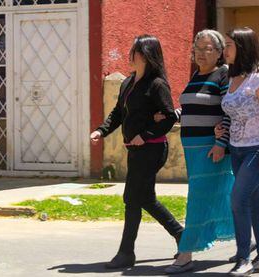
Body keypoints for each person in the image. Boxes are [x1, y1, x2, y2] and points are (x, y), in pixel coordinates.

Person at [90, 34, 184, 269]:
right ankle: (181, 235)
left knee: (132, 198)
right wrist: (101, 131)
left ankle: (126, 253)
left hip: (152, 149)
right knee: (145, 198)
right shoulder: (128, 83)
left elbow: (169, 117)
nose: (130, 55)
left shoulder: (157, 84)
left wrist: (146, 135)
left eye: (135, 51)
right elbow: (118, 114)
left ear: (146, 55)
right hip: (136, 150)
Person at [156, 29, 236, 274]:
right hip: (192, 149)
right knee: (219, 197)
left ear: (220, 52)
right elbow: (190, 107)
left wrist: (221, 145)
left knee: (198, 199)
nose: (200, 54)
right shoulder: (196, 75)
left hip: (211, 149)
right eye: (197, 48)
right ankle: (246, 237)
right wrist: (171, 115)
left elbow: (230, 111)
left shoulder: (223, 75)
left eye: (207, 49)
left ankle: (186, 253)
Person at [221, 27, 259, 276]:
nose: (225, 50)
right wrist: (219, 128)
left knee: (238, 199)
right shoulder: (232, 78)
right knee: (253, 201)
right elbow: (232, 114)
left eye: (229, 45)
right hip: (237, 150)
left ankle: (244, 258)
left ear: (242, 47)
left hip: (257, 149)